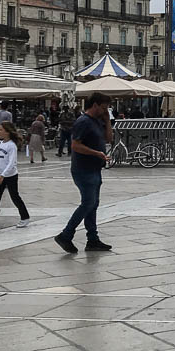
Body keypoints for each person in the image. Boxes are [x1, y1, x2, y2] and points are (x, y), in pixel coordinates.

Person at [55, 92, 114, 253]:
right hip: (83, 169)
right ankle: (65, 235)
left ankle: (92, 240)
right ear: (94, 105)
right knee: (88, 203)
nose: (105, 110)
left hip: (94, 169)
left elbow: (108, 138)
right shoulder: (83, 122)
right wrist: (96, 153)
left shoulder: (97, 121)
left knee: (93, 204)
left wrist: (108, 121)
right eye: (103, 107)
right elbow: (75, 145)